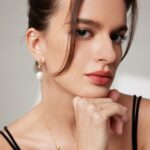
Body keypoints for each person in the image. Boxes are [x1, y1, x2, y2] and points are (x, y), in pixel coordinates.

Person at [0, 0, 150, 149]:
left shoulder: (145, 124)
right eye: (82, 32)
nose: (110, 54)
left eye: (116, 37)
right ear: (37, 44)